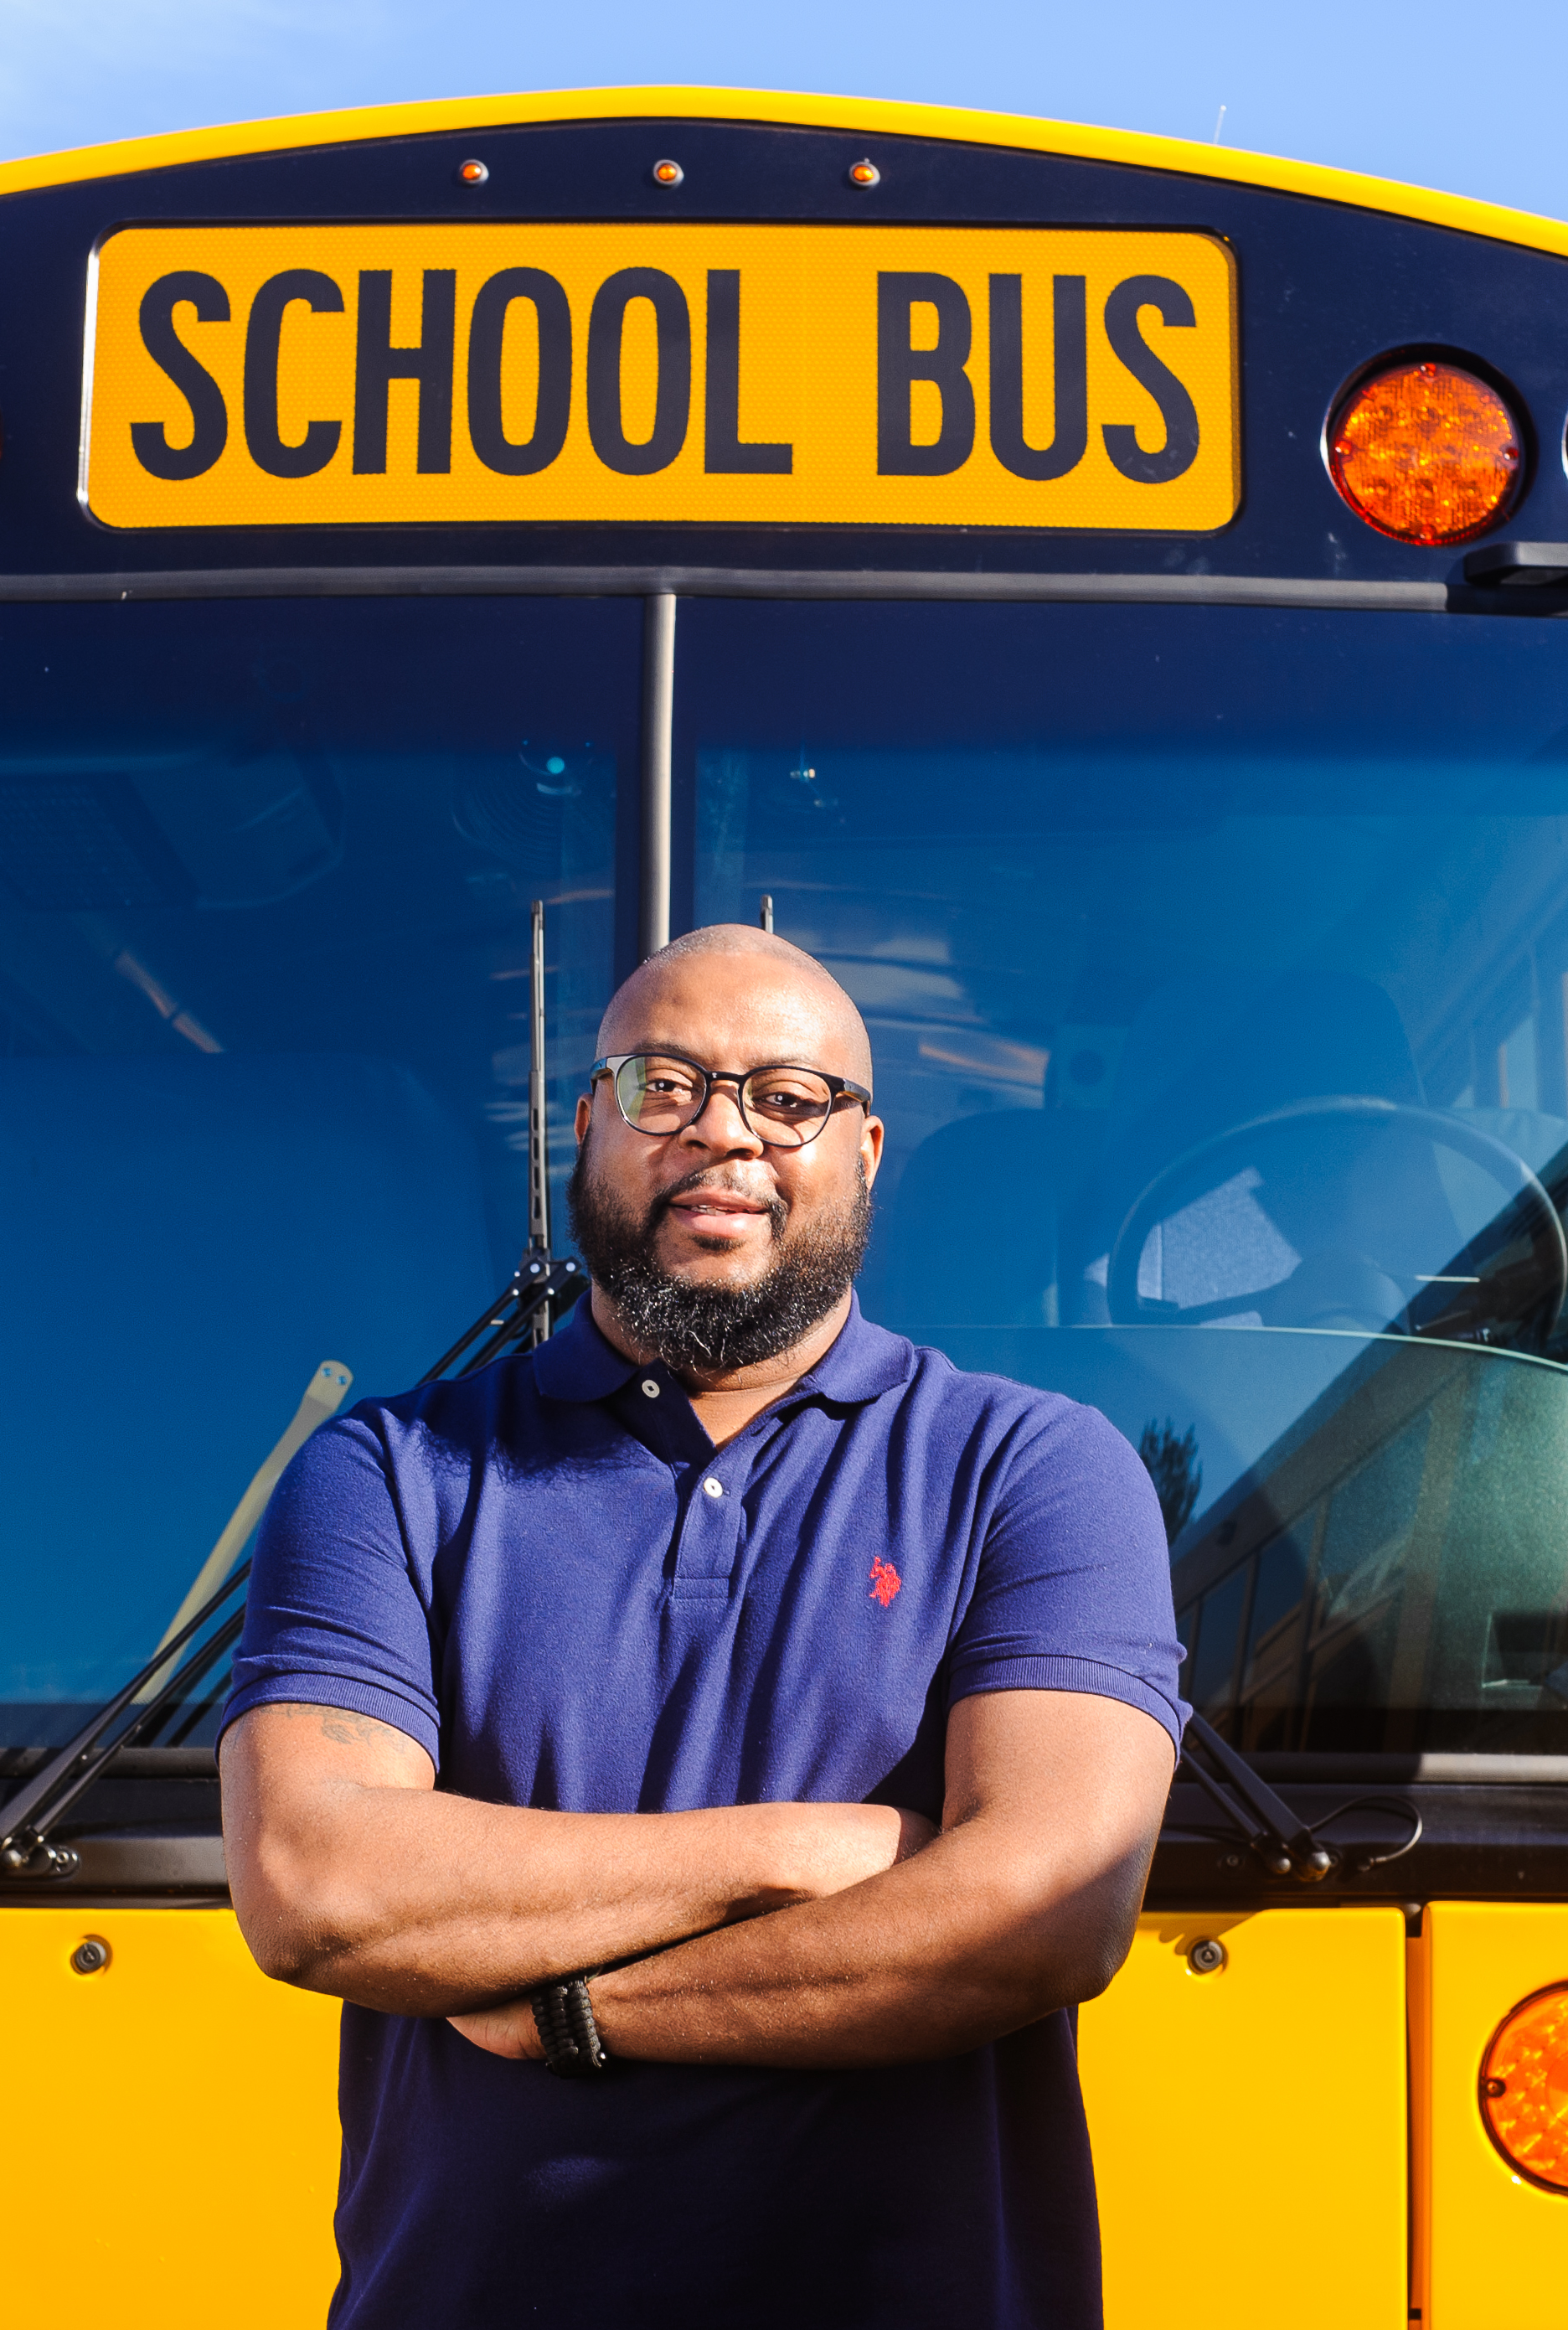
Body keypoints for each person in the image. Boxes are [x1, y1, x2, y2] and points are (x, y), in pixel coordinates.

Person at [220, 925, 1185, 2330]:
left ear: (862, 1149)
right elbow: (316, 1882)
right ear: (586, 1122)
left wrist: (577, 2014)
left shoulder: (1037, 1468)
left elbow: (1045, 1912)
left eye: (788, 1098)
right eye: (663, 1085)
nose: (724, 1134)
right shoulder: (388, 1471)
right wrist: (803, 1848)